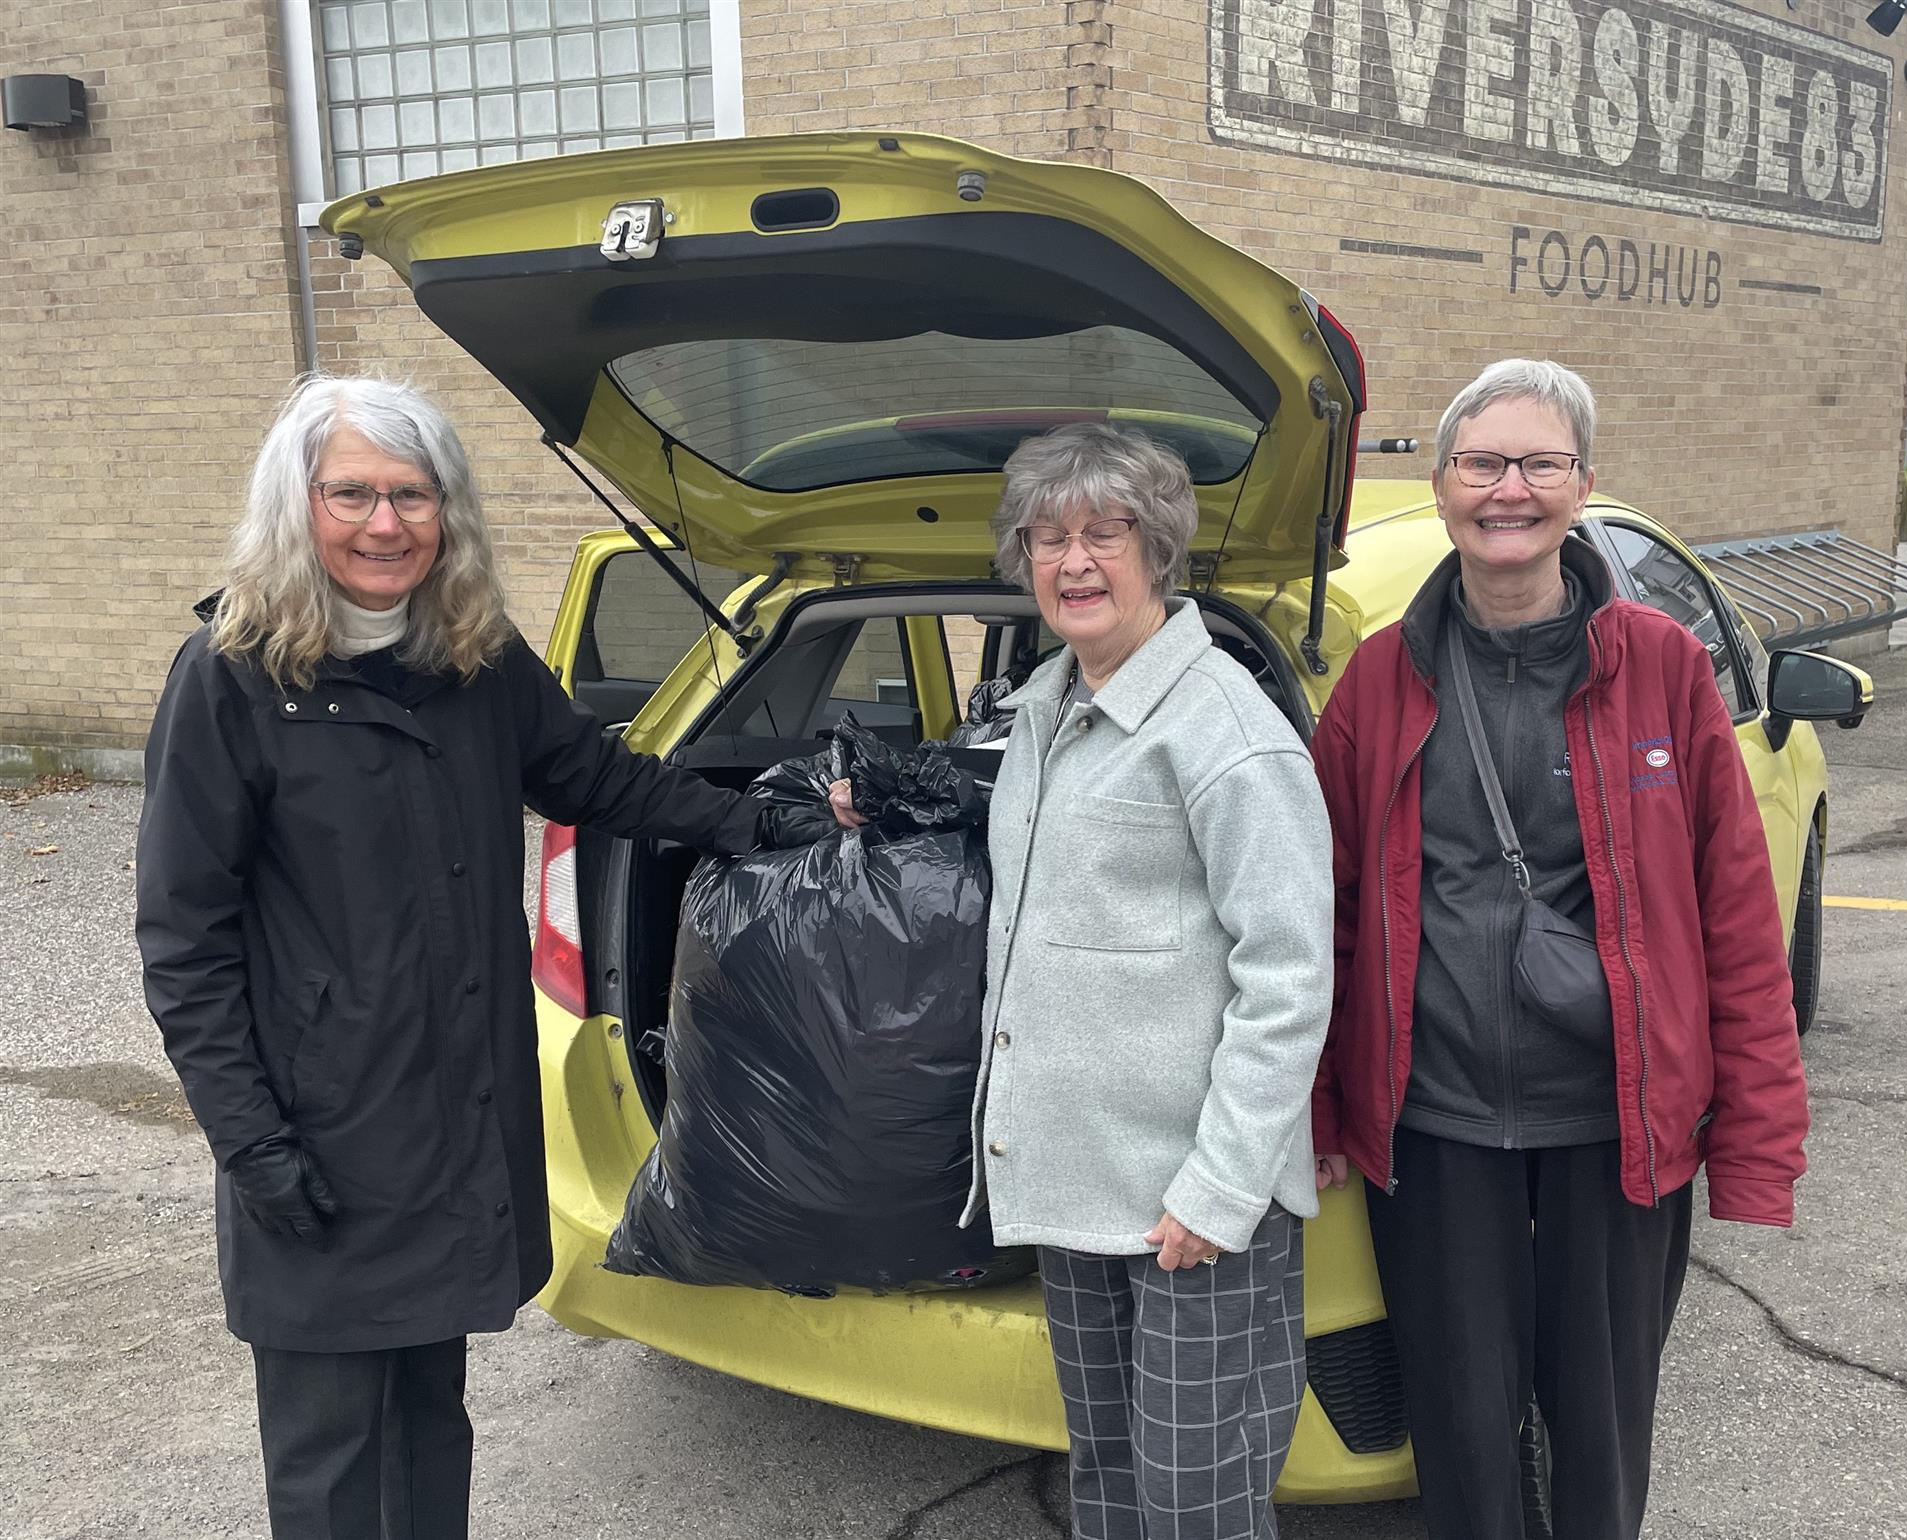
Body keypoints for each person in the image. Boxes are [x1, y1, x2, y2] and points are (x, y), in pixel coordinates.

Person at [133, 374, 856, 1540]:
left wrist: (761, 821)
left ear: (448, 510)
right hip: (320, 1126)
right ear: (297, 506)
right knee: (331, 1451)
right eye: (353, 493)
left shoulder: (470, 657)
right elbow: (184, 938)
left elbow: (595, 776)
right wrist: (250, 1140)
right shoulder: (233, 678)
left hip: (455, 1111)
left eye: (412, 494)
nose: (385, 523)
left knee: (431, 1413)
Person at [1308, 359, 1810, 1540]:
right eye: (1482, 463)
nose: (1509, 490)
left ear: (1581, 484)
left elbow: (1735, 923)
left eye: (1539, 463)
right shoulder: (1378, 678)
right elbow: (1325, 910)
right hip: (1433, 1125)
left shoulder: (1661, 666)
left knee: (1598, 1431)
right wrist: (1321, 1105)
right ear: (1442, 484)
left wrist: (1753, 1148)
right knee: (1462, 1437)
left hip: (1612, 1123)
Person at [949, 422, 1333, 1540]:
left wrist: (1219, 1186)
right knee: (1109, 1483)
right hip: (1078, 1186)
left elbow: (1288, 975)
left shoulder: (1227, 732)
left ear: (1156, 548)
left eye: (1102, 534)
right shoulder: (1044, 707)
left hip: (1188, 1209)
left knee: (1196, 1507)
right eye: (1046, 537)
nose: (1072, 562)